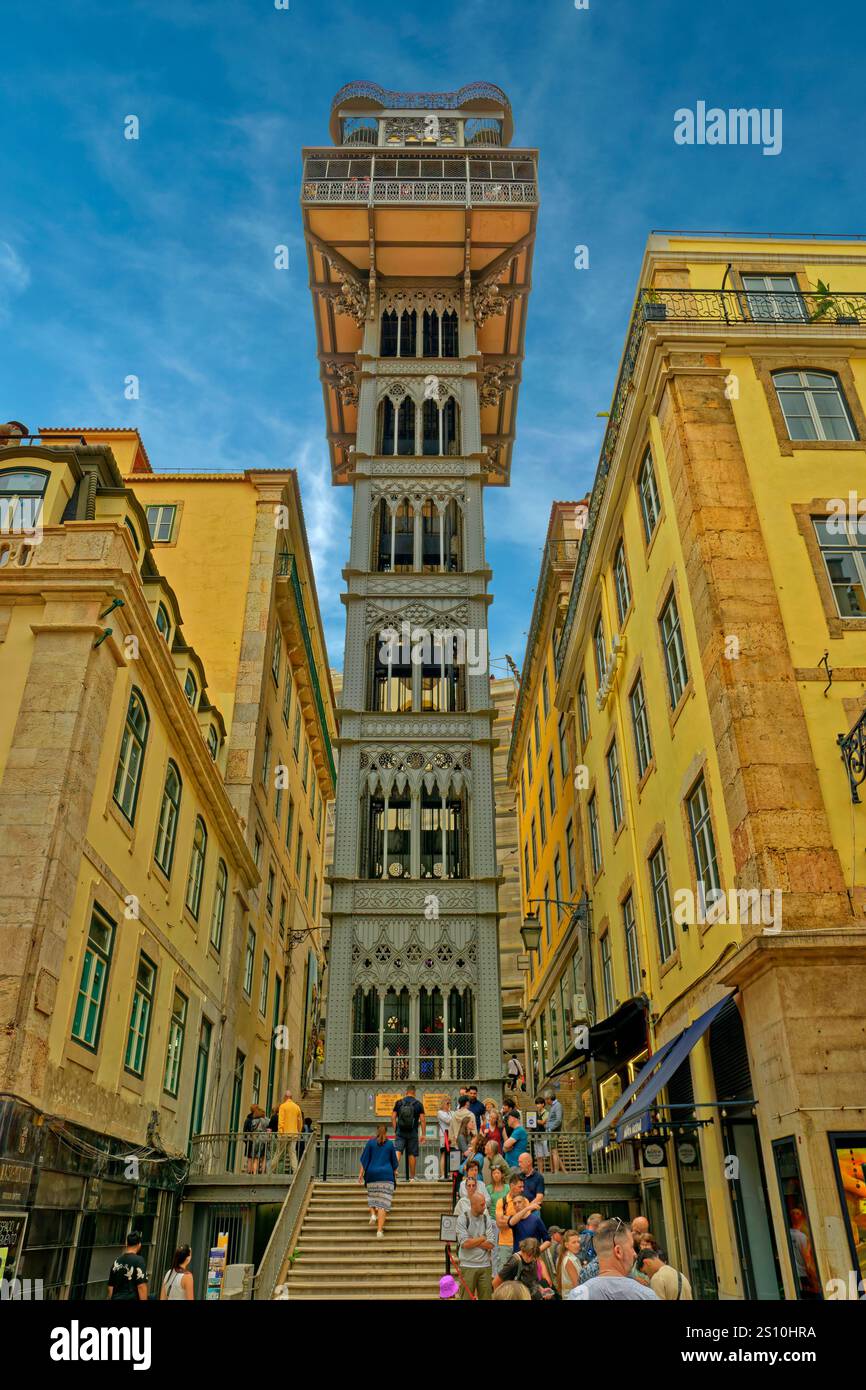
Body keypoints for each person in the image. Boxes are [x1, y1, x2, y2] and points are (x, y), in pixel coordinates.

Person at [565, 1218, 660, 1301]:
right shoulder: (646, 1295)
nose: (635, 1254)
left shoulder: (577, 1296)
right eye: (631, 1247)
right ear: (618, 1251)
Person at [358, 1124, 399, 1237]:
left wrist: (361, 1174)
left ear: (376, 1131)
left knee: (372, 1197)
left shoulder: (370, 1143)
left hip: (372, 1175)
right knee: (383, 1205)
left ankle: (372, 1215)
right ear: (386, 1132)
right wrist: (395, 1172)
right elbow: (395, 1163)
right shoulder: (390, 1144)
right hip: (386, 1176)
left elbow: (364, 1160)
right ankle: (379, 1231)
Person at [455, 1191, 497, 1300]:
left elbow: (491, 1243)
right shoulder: (462, 1218)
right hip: (468, 1265)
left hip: (485, 1265)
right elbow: (465, 1244)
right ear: (473, 1205)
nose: (485, 1207)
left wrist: (473, 1240)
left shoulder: (486, 1218)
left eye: (485, 1204)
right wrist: (482, 1238)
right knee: (466, 1298)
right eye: (482, 1204)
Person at [391, 1084, 425, 1182]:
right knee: (412, 1154)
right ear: (414, 1093)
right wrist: (423, 1134)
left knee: (398, 1150)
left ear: (406, 1092)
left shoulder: (399, 1103)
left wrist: (396, 1129)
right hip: (413, 1132)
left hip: (400, 1131)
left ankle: (394, 1171)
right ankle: (412, 1177)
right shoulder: (418, 1104)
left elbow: (393, 1117)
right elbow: (422, 1120)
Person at [107, 1231, 148, 1302]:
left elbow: (110, 1287)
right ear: (139, 1245)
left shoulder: (117, 1261)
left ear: (126, 1244)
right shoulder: (139, 1261)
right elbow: (141, 1286)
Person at [278, 1089, 303, 1173]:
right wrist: (298, 1131)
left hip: (285, 1133)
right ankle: (295, 1171)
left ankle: (271, 1169)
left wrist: (280, 1132)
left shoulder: (283, 1106)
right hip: (294, 1134)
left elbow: (281, 1121)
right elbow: (300, 1121)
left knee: (279, 1153)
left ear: (285, 1097)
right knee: (293, 1153)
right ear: (291, 1097)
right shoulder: (297, 1107)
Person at [555, 1229, 583, 1298]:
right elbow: (577, 1285)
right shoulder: (569, 1260)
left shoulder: (566, 1257)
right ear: (566, 1245)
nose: (577, 1245)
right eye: (574, 1242)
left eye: (578, 1242)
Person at [545, 1091, 564, 1173]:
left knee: (554, 1151)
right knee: (553, 1151)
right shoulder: (553, 1106)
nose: (546, 1101)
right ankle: (559, 1171)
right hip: (551, 1133)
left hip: (553, 1133)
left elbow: (559, 1120)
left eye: (546, 1099)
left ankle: (556, 1172)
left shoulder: (557, 1105)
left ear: (549, 1099)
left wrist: (550, 1128)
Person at [437, 1096, 454, 1179]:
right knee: (444, 1153)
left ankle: (451, 1174)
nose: (448, 1105)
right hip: (444, 1135)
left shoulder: (452, 1112)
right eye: (447, 1103)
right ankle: (443, 1174)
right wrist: (453, 1118)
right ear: (443, 1103)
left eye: (450, 1103)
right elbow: (448, 1120)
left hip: (451, 1135)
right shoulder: (440, 1112)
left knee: (452, 1154)